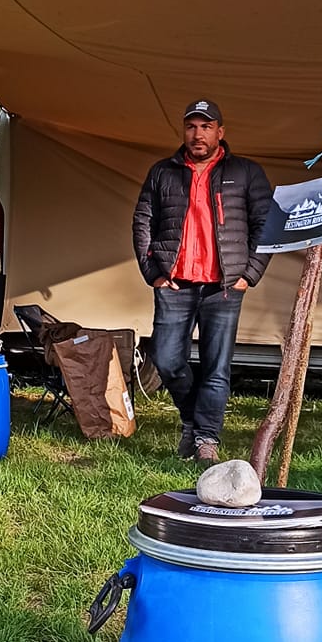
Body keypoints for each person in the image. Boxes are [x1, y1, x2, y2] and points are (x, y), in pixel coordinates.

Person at [132, 101, 273, 462]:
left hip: (224, 287)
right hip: (174, 284)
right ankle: (193, 421)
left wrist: (249, 275)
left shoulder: (245, 172)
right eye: (192, 126)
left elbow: (265, 224)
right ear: (184, 131)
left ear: (220, 132)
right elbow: (143, 221)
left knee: (216, 367)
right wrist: (154, 274)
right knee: (166, 360)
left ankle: (206, 440)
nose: (198, 134)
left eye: (206, 127)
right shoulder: (162, 172)